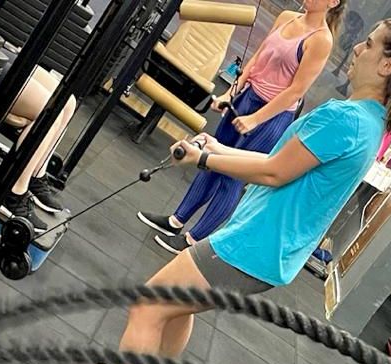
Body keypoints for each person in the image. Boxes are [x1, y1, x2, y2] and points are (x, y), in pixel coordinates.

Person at [39, 18, 391, 364]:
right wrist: (219, 150)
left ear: (387, 65)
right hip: (266, 248)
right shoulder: (369, 122)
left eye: (369, 45)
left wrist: (203, 161)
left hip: (253, 246)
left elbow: (273, 173)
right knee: (176, 308)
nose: (357, 50)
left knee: (150, 305)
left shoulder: (345, 119)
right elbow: (281, 164)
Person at [137, 0, 346, 254]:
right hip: (247, 98)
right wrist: (231, 93)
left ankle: (192, 241)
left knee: (232, 177)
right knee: (210, 159)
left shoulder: (321, 40)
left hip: (272, 116)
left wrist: (255, 119)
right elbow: (257, 58)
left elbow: (296, 91)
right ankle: (175, 221)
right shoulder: (286, 17)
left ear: (333, 2)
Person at [0, 46, 77, 233]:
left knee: (68, 101)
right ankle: (13, 191)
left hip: (1, 49)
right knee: (51, 113)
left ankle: (35, 174)